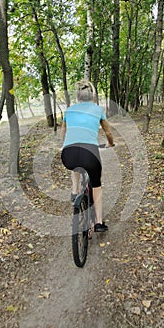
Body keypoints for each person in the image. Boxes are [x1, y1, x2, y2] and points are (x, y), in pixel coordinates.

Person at [61, 80, 114, 232]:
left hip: (68, 154)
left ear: (77, 96)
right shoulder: (98, 109)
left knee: (75, 165)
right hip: (90, 153)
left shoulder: (69, 111)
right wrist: (110, 143)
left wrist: (64, 144)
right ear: (92, 95)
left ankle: (75, 190)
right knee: (96, 184)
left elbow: (63, 131)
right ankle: (98, 222)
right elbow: (108, 132)